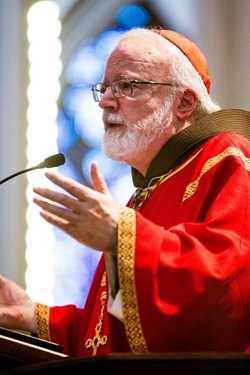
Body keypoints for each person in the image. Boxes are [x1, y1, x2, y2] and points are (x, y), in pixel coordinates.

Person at [1, 27, 250, 357]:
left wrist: (122, 233)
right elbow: (112, 335)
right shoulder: (146, 192)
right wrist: (33, 315)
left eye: (127, 86)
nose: (104, 102)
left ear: (185, 102)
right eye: (104, 88)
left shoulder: (230, 160)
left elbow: (225, 286)